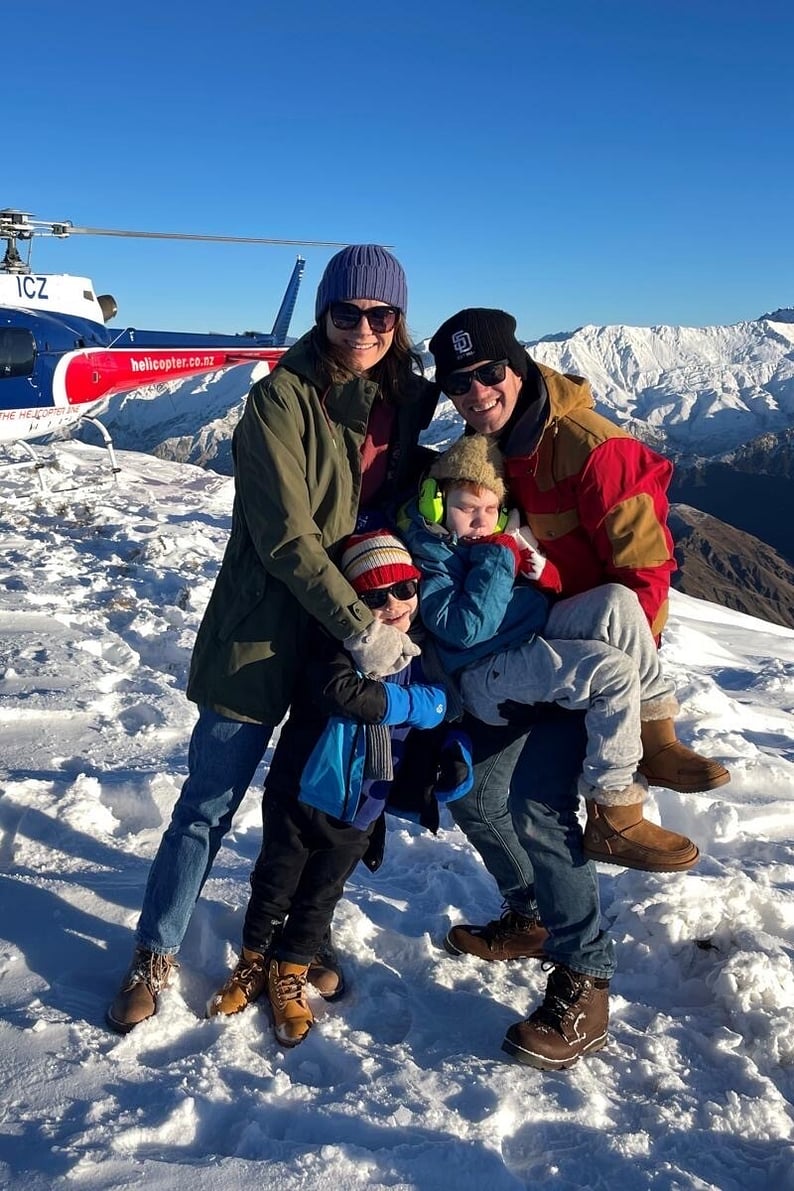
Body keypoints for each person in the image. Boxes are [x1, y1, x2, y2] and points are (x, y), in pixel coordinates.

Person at [106, 246, 439, 1034]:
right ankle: (155, 952)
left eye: (380, 315)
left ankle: (295, 944)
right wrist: (363, 626)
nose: (363, 328)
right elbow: (288, 536)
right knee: (210, 802)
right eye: (347, 313)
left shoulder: (406, 402)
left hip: (345, 649)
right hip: (266, 635)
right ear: (324, 315)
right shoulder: (279, 403)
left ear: (398, 320)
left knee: (324, 805)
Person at [415, 308, 730, 1070]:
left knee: (534, 802)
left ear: (516, 366)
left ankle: (584, 979)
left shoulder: (591, 448)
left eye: (488, 372)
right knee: (471, 792)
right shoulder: (488, 447)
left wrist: (606, 710)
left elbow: (642, 580)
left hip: (580, 654)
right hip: (526, 640)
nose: (475, 390)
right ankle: (530, 913)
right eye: (458, 382)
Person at [402, 431, 708, 872]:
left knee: (617, 602)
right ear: (436, 502)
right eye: (467, 509)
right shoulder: (432, 554)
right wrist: (497, 557)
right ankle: (614, 812)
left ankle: (657, 738)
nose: (481, 521)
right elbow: (465, 629)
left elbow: (523, 598)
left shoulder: (487, 541)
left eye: (491, 510)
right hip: (480, 671)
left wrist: (540, 572)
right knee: (610, 671)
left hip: (523, 636)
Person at [207, 530, 454, 1048]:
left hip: (363, 808)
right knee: (274, 884)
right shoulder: (339, 644)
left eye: (404, 589)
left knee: (320, 896)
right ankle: (252, 963)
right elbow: (344, 695)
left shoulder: (425, 652)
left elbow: (448, 714)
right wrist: (420, 705)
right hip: (299, 794)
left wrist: (456, 753)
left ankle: (289, 973)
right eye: (373, 597)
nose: (392, 605)